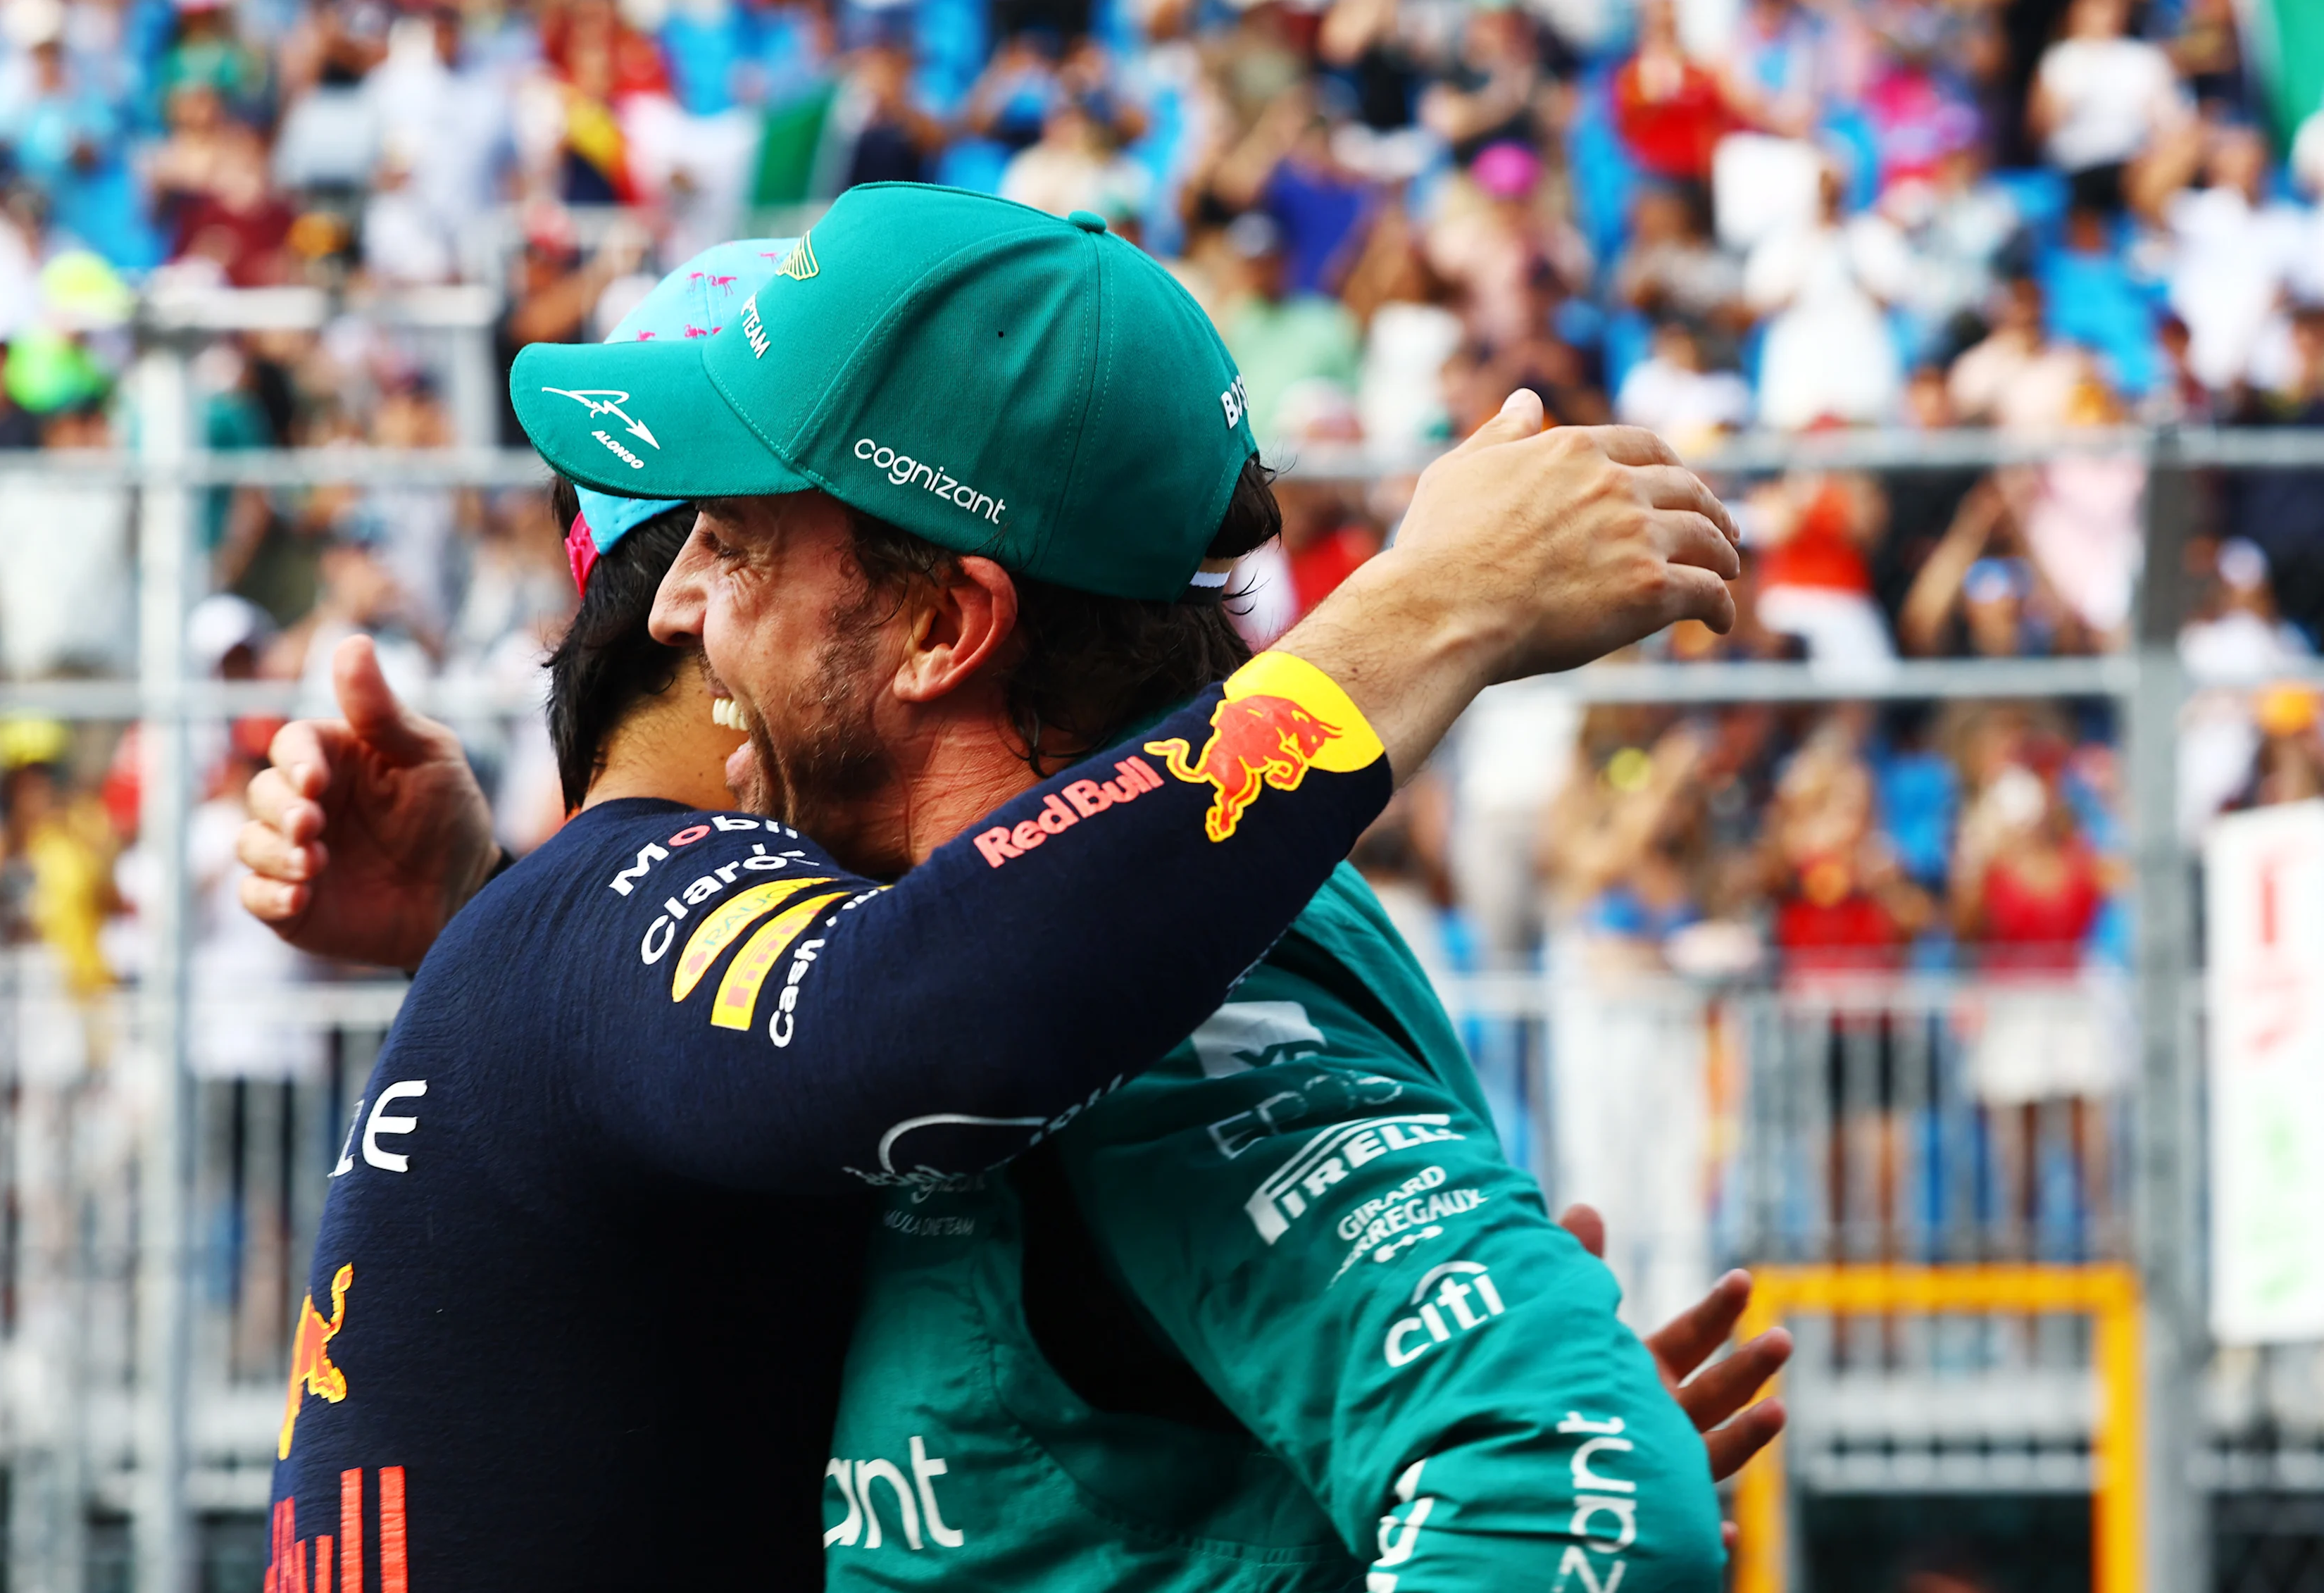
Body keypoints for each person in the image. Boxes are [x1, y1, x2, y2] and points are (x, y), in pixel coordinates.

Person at [238, 192, 1746, 1589]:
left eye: (733, 543)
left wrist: (1430, 612)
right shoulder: (996, 953)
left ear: (941, 627)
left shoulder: (1159, 977)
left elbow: (1569, 1491)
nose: (689, 605)